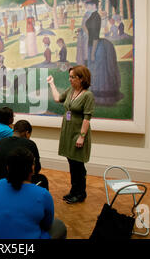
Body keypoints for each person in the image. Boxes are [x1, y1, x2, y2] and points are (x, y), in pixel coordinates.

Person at [0, 148, 67, 239]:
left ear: (8, 167)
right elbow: (47, 224)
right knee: (59, 225)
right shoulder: (42, 194)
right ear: (32, 168)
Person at [47, 65, 94, 204]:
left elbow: (87, 118)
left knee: (78, 165)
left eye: (73, 77)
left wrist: (82, 136)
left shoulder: (87, 95)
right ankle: (74, 190)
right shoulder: (71, 90)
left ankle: (81, 193)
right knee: (72, 163)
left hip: (78, 134)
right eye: (70, 76)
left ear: (81, 78)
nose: (70, 79)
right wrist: (51, 83)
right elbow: (57, 98)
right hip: (68, 132)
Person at [83, 0, 123, 106]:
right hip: (92, 44)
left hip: (96, 46)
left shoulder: (96, 17)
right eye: (87, 4)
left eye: (90, 4)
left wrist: (92, 53)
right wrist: (86, 31)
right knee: (93, 70)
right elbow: (86, 28)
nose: (88, 6)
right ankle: (95, 94)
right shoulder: (92, 16)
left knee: (98, 70)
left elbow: (95, 36)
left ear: (94, 5)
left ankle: (102, 96)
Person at [0, 120, 48, 190]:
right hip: (15, 184)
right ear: (27, 133)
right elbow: (36, 169)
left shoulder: (1, 141)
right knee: (43, 179)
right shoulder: (30, 144)